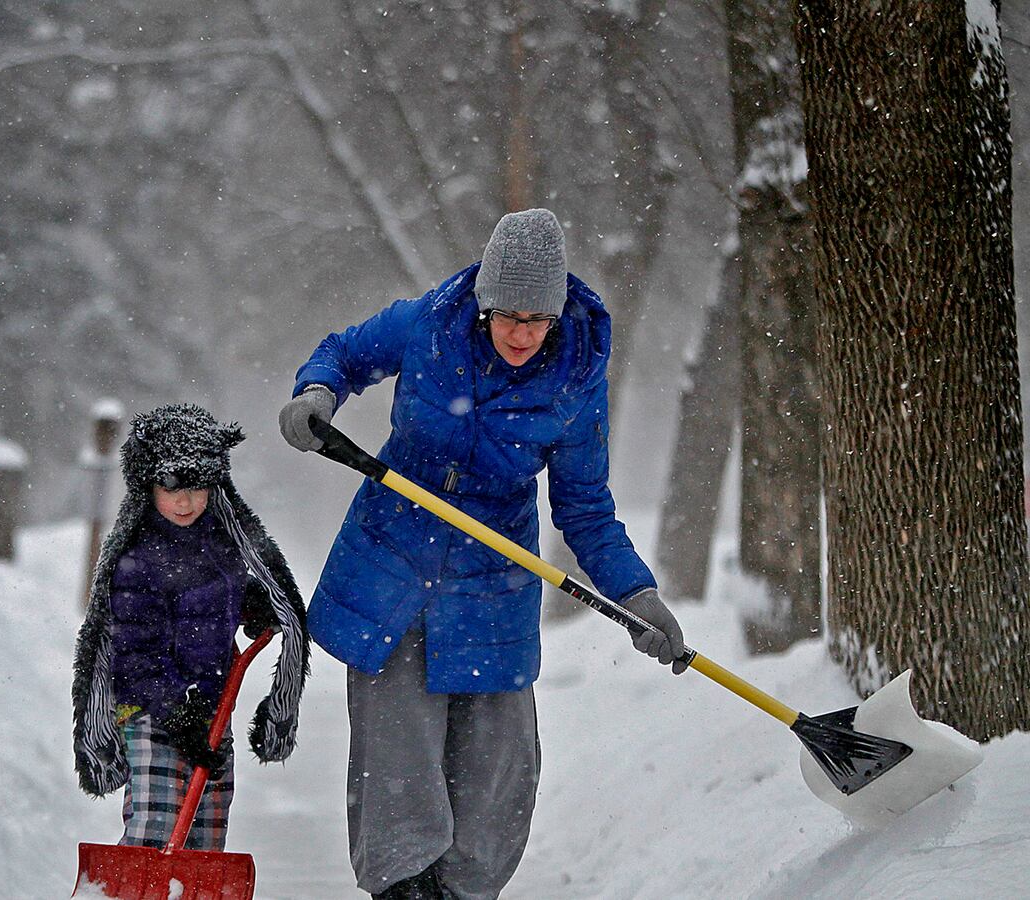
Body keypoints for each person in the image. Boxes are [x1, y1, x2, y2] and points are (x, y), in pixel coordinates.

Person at [278, 208, 687, 899]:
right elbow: (345, 354)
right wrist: (316, 392)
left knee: (497, 775)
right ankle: (403, 890)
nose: (523, 333)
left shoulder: (576, 375)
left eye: (538, 319)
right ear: (482, 305)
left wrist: (636, 595)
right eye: (508, 316)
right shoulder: (430, 324)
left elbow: (585, 509)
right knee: (397, 765)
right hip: (396, 550)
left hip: (493, 572)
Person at [72, 403, 310, 850]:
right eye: (171, 487)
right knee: (157, 827)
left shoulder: (224, 542)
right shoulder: (137, 558)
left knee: (206, 830)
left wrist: (251, 604)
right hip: (150, 714)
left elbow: (220, 597)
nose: (185, 502)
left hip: (213, 712)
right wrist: (175, 708)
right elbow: (134, 653)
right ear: (148, 485)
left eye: (197, 486)